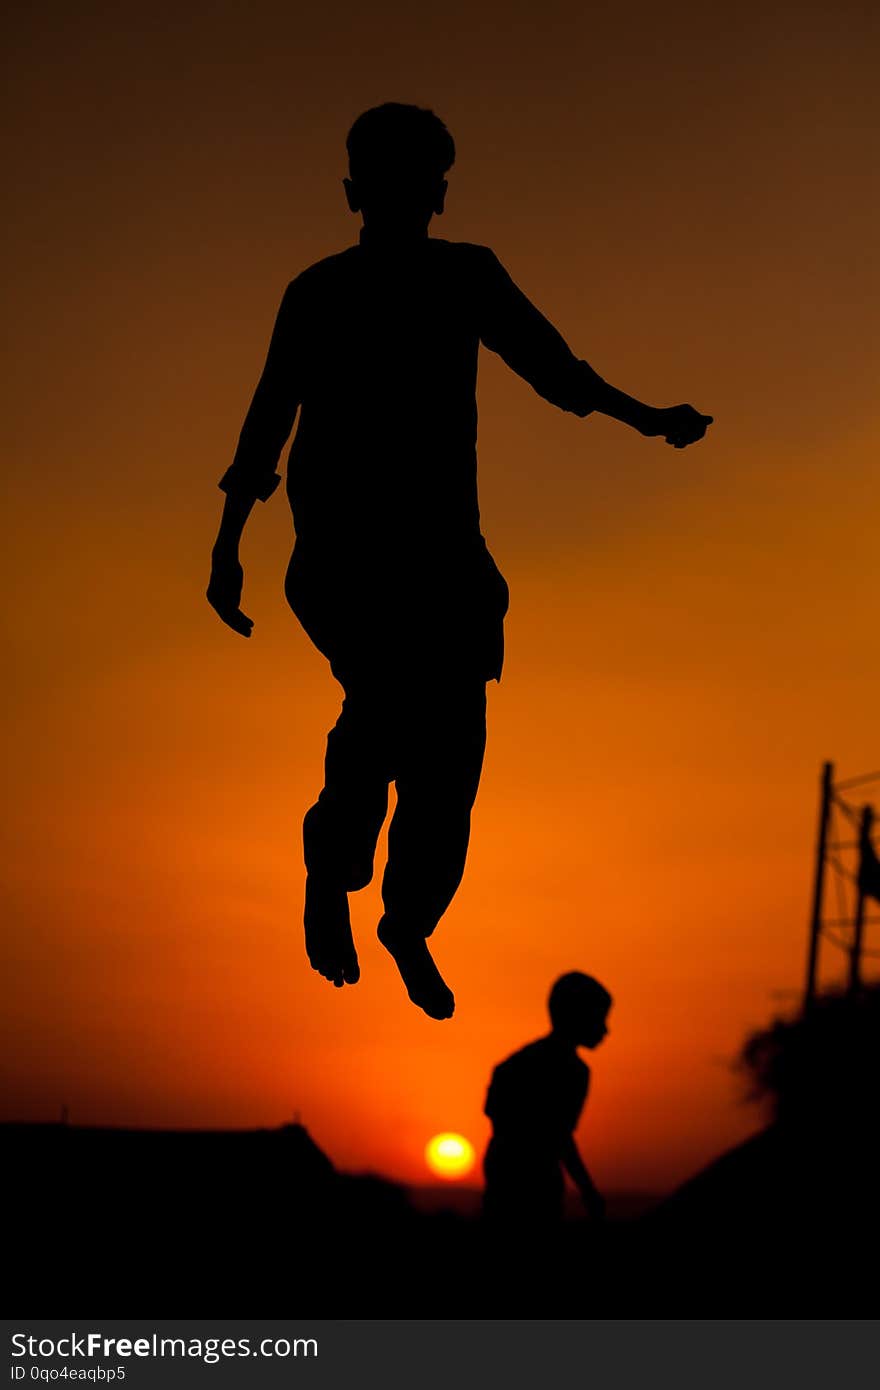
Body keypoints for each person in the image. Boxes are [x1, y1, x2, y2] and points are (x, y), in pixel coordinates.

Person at [207, 103, 712, 1020]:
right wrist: (228, 540)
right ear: (362, 192)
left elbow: (556, 371)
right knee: (390, 710)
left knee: (449, 757)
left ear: (430, 194)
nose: (412, 197)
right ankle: (336, 875)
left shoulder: (465, 279)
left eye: (421, 182)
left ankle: (405, 920)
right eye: (400, 181)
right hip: (351, 559)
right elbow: (269, 415)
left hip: (445, 563)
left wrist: (648, 418)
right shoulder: (319, 293)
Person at [483, 972, 611, 1227]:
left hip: (502, 1172)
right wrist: (587, 1190)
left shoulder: (512, 1064)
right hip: (536, 1181)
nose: (605, 1029)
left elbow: (494, 1112)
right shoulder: (574, 1071)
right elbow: (559, 1136)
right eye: (599, 1017)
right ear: (577, 1016)